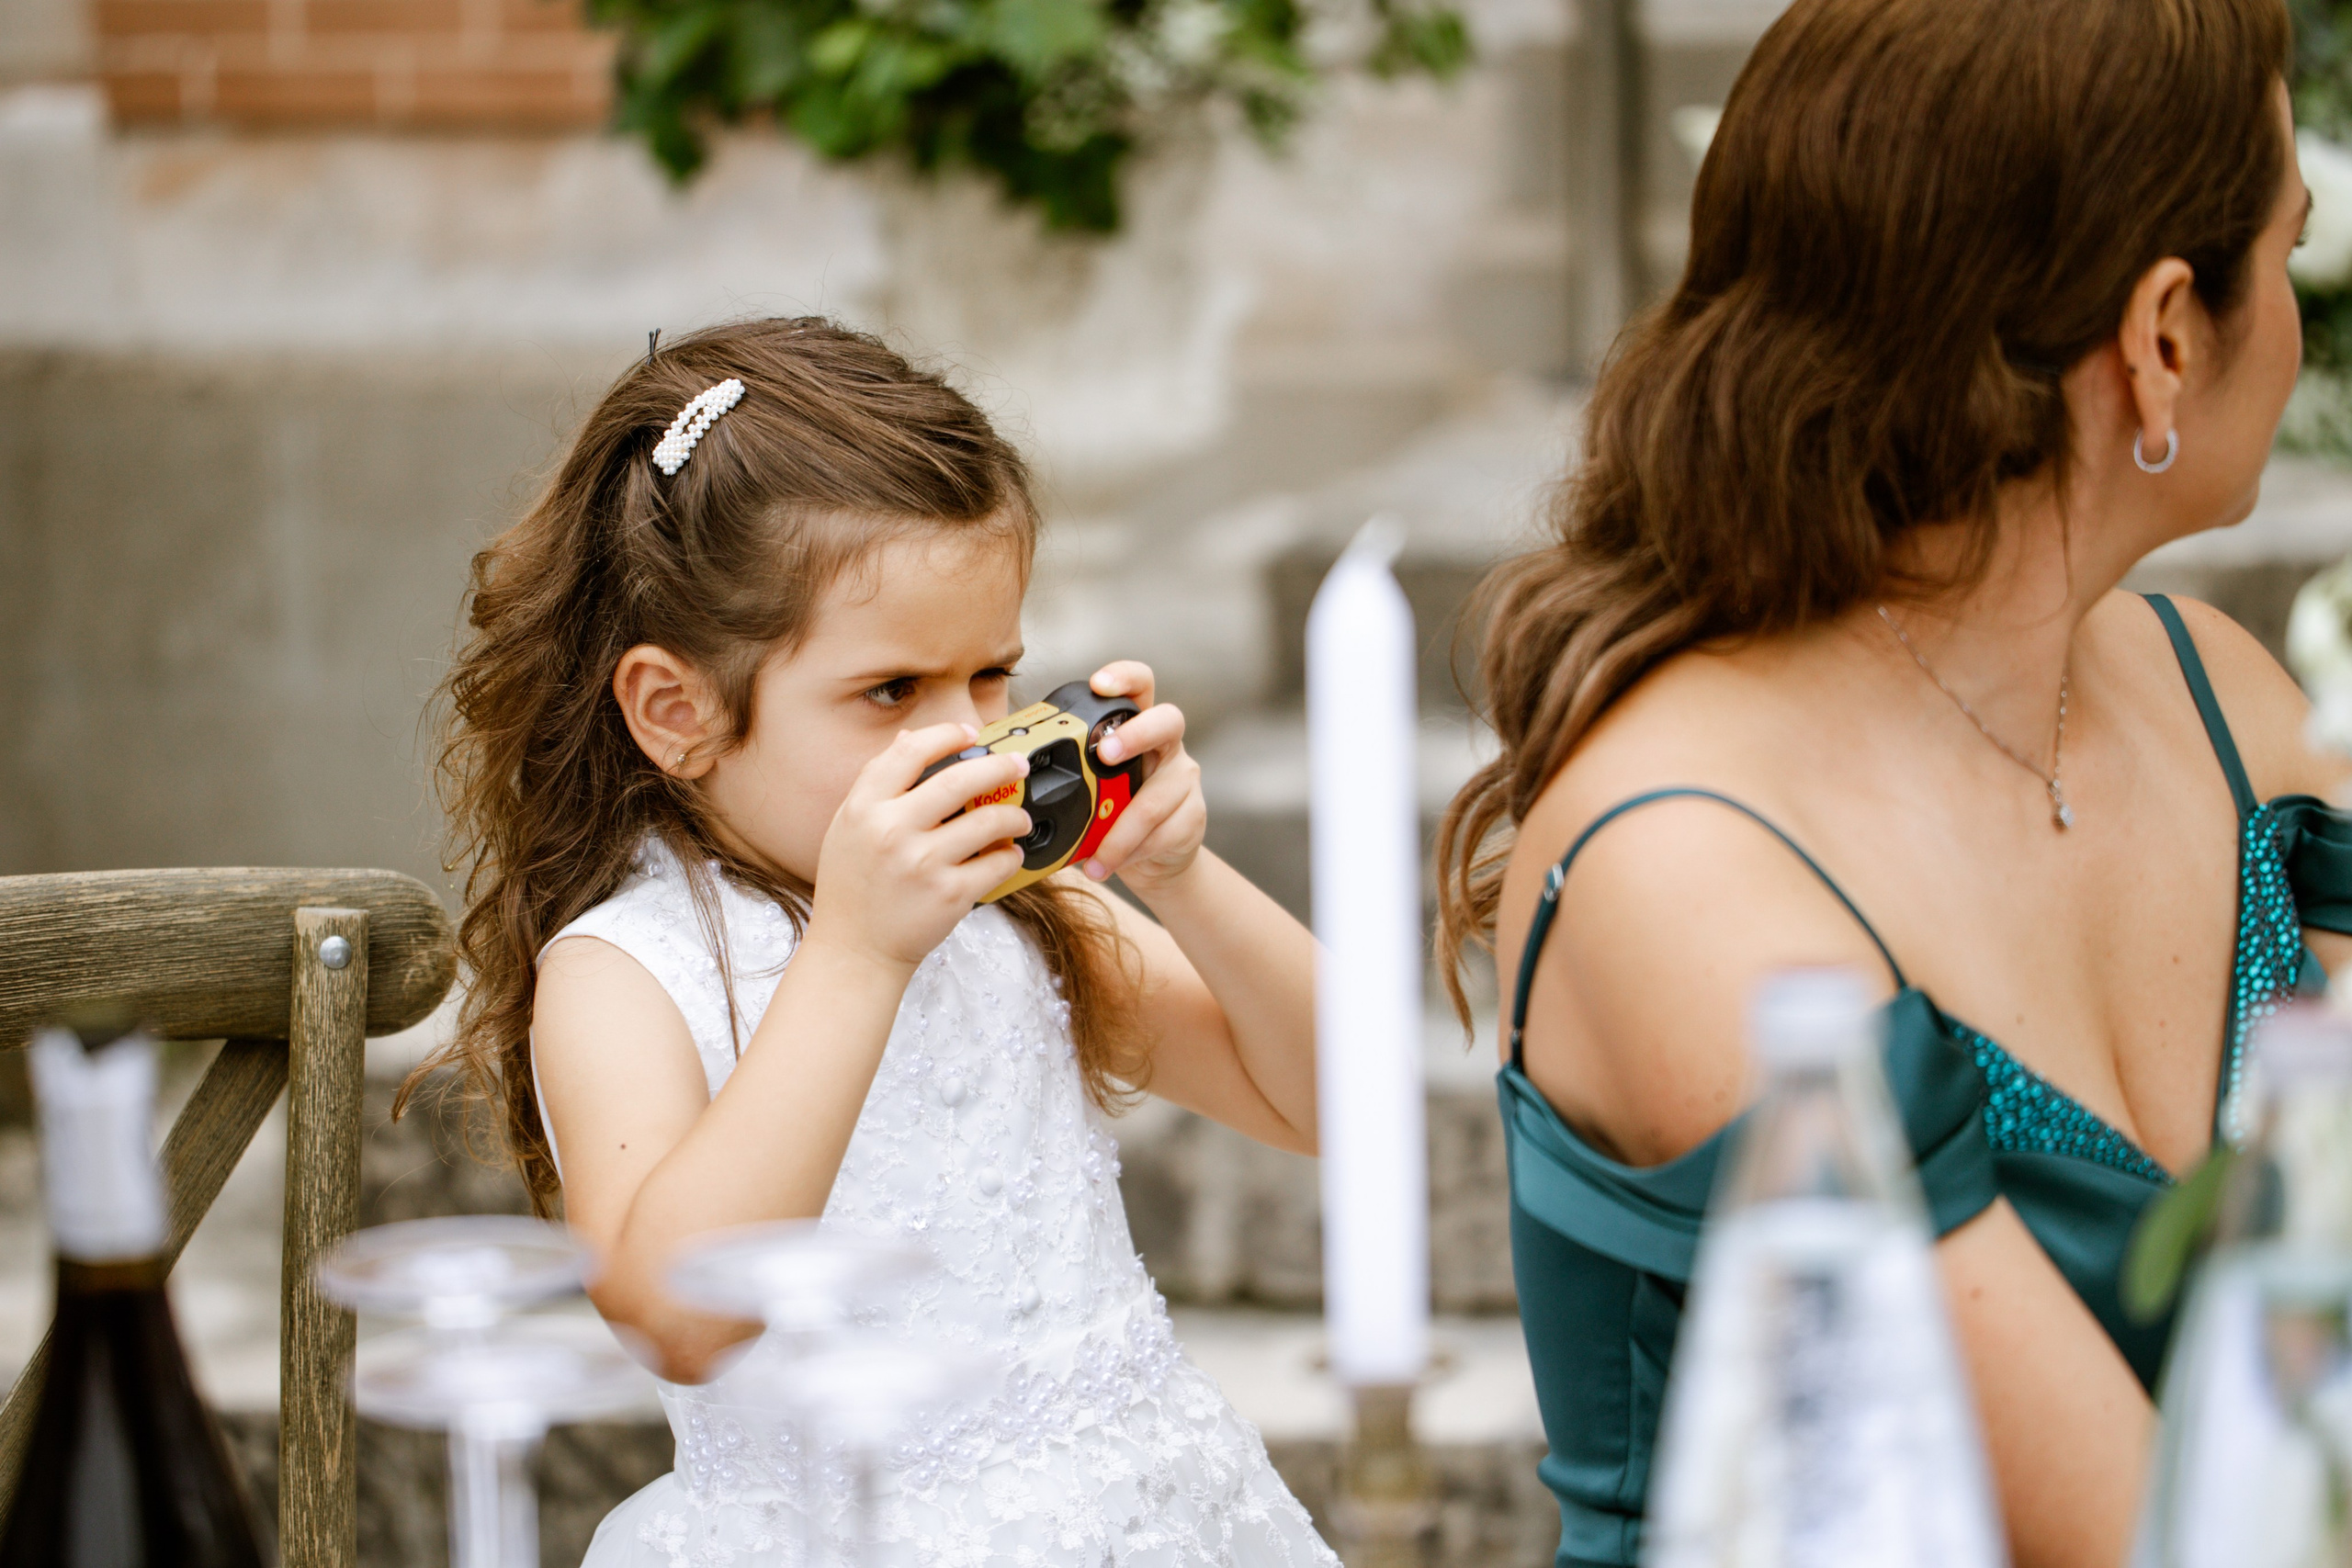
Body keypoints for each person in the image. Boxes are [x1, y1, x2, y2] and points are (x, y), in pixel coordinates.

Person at [1431, 1, 2352, 1565]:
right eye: (2292, 249)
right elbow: (2155, 1535)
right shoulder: (1690, 869)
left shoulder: (2228, 702)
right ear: (2165, 332)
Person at [416, 317, 1338, 1567]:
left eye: (991, 676)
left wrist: (1181, 876)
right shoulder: (628, 971)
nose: (964, 739)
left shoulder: (1019, 907)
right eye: (891, 692)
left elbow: (1333, 1107)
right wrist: (856, 953)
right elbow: (677, 1316)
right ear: (676, 711)